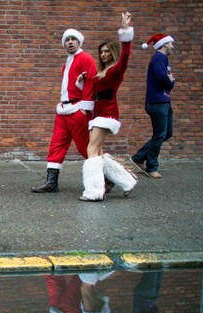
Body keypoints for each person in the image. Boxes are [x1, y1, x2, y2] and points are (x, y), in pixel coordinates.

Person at [79, 12, 137, 201]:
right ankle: (127, 181)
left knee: (91, 150)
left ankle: (95, 192)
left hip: (108, 114)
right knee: (99, 152)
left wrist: (126, 31)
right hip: (98, 113)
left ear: (113, 52)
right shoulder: (101, 71)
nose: (104, 54)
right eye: (101, 52)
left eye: (107, 51)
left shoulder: (116, 69)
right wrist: (84, 79)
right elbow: (94, 88)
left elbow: (126, 54)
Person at [31, 29, 97, 193]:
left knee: (85, 147)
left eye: (73, 39)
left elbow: (91, 83)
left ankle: (107, 177)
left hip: (78, 110)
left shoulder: (86, 59)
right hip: (64, 110)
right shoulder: (68, 61)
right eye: (67, 40)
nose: (70, 42)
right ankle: (51, 182)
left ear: (79, 41)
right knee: (56, 144)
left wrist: (84, 109)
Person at [129, 32, 176, 179]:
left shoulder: (163, 58)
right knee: (160, 134)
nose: (172, 46)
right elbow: (162, 77)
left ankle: (138, 158)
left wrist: (170, 80)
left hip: (164, 101)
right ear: (164, 44)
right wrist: (171, 82)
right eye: (171, 43)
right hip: (157, 102)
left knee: (167, 133)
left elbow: (165, 77)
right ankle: (151, 167)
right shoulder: (159, 57)